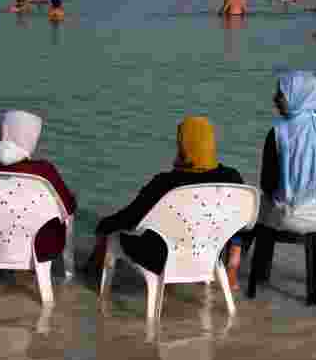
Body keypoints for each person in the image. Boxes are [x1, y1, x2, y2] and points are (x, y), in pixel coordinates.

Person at [90, 116, 250, 290]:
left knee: (109, 232)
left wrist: (103, 225)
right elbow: (242, 220)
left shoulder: (165, 183)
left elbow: (130, 218)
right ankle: (232, 269)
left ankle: (91, 277)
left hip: (165, 259)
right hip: (209, 256)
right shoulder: (231, 178)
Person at [258, 71, 316, 287]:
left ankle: (253, 277)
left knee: (251, 212)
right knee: (312, 212)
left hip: (290, 216)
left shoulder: (279, 132)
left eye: (281, 94)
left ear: (297, 96)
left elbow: (267, 185)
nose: (275, 99)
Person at [0, 110, 77, 267]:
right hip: (38, 250)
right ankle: (67, 273)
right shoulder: (44, 172)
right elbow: (68, 208)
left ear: (3, 131)